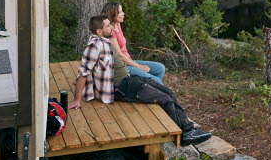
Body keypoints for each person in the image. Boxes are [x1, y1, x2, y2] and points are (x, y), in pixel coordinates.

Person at [72, 15, 211, 145]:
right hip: (122, 88)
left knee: (168, 92)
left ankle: (188, 129)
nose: (112, 28)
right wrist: (77, 100)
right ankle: (182, 135)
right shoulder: (94, 46)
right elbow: (83, 73)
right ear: (99, 31)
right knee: (164, 99)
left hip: (130, 79)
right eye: (108, 26)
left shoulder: (104, 41)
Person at [101, 1, 166, 84]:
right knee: (156, 81)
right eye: (120, 12)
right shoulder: (110, 32)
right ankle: (150, 89)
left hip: (129, 61)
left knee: (160, 68)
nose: (123, 13)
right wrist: (139, 67)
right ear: (113, 14)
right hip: (122, 66)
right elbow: (120, 56)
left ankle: (146, 88)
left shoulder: (117, 25)